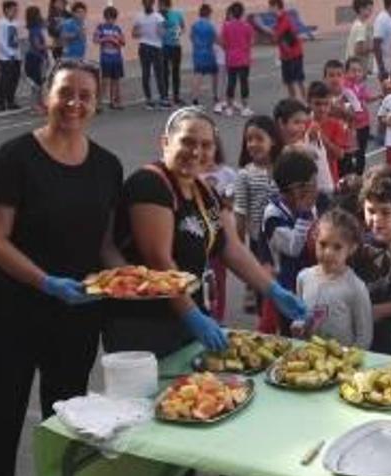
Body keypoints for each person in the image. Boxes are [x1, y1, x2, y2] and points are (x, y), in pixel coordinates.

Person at [0, 59, 122, 476]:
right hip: (10, 316)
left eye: (85, 95)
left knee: (64, 427)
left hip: (75, 321)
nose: (75, 103)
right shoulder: (14, 158)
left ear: (97, 103)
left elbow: (105, 244)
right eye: (65, 93)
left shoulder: (107, 166)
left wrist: (132, 278)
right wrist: (46, 281)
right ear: (46, 99)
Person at [107, 107, 306, 359]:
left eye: (206, 145)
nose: (196, 152)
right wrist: (191, 315)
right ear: (166, 142)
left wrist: (273, 291)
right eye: (187, 142)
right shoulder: (150, 184)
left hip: (185, 316)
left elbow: (231, 247)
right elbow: (159, 260)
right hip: (145, 324)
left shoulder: (205, 191)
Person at [259, 149, 321, 335]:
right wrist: (303, 214)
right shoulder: (273, 215)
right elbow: (293, 248)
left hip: (310, 281)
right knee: (291, 333)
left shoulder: (309, 205)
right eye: (311, 184)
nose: (316, 189)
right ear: (296, 189)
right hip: (287, 286)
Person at [351, 166, 391, 354]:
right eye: (371, 211)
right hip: (361, 338)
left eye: (385, 212)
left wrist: (378, 311)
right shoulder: (357, 245)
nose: (376, 219)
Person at [296, 209, 373, 348]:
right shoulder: (303, 277)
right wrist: (298, 326)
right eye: (323, 244)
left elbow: (364, 337)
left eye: (337, 247)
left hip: (341, 365)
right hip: (308, 360)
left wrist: (348, 364)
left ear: (351, 248)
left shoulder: (355, 287)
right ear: (314, 239)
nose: (328, 253)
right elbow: (300, 314)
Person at [234, 116, 282, 314]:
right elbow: (240, 212)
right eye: (249, 139)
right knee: (264, 288)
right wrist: (238, 246)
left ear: (273, 140)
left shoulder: (283, 168)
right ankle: (265, 322)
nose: (252, 144)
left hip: (283, 240)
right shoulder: (245, 174)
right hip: (258, 244)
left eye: (259, 138)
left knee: (283, 285)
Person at [200, 135, 237, 323]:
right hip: (198, 239)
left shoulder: (227, 174)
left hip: (220, 238)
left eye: (207, 145)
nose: (201, 152)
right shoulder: (190, 174)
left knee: (218, 280)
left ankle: (217, 317)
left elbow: (231, 204)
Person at [324, 59, 362, 177]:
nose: (335, 79)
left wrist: (342, 111)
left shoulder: (348, 94)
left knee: (346, 173)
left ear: (344, 77)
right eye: (331, 75)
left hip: (346, 143)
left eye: (338, 75)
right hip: (328, 142)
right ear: (324, 78)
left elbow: (358, 117)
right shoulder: (322, 95)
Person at [310, 80, 351, 187]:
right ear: (309, 103)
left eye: (326, 104)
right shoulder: (303, 124)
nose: (322, 108)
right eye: (318, 104)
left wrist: (321, 138)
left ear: (330, 104)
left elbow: (340, 155)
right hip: (309, 182)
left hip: (330, 180)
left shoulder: (336, 125)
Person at [344, 57, 379, 175]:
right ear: (346, 72)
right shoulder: (344, 87)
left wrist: (380, 96)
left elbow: (367, 98)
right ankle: (350, 178)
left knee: (361, 154)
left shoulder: (360, 86)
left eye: (359, 71)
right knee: (350, 155)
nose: (356, 74)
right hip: (352, 126)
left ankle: (358, 177)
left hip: (364, 124)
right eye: (353, 71)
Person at [220, 1, 255, 117]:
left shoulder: (226, 26)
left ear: (231, 13)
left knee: (231, 82)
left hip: (231, 59)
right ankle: (245, 107)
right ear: (242, 13)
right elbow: (252, 42)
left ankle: (229, 108)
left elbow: (223, 42)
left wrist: (229, 48)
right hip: (244, 58)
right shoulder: (247, 26)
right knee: (244, 82)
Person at [132, 0, 169, 110]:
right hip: (152, 47)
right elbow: (162, 33)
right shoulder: (158, 17)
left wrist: (142, 32)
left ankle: (152, 100)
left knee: (150, 73)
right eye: (146, 3)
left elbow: (134, 34)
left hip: (148, 47)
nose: (147, 4)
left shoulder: (152, 17)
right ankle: (159, 99)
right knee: (155, 73)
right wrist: (162, 29)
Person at [269, 0, 306, 100]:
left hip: (294, 54)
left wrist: (272, 33)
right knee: (289, 81)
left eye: (271, 6)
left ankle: (306, 101)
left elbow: (276, 37)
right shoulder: (279, 20)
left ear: (276, 6)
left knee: (299, 80)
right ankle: (293, 101)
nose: (269, 9)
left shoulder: (285, 19)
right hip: (286, 55)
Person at [93, 6, 125, 111]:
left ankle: (114, 101)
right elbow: (96, 39)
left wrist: (117, 41)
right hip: (106, 58)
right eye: (108, 18)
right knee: (105, 81)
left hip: (117, 58)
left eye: (112, 18)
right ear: (105, 17)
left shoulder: (117, 29)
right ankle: (99, 103)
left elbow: (123, 42)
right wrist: (106, 38)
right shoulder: (101, 27)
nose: (110, 20)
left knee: (116, 80)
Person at [190, 3, 220, 109]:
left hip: (197, 53)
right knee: (215, 74)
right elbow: (216, 39)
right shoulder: (210, 25)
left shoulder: (195, 25)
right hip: (208, 52)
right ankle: (215, 95)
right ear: (209, 13)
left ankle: (195, 99)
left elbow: (192, 38)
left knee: (198, 75)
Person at [0, 1, 22, 113]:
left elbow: (16, 39)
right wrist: (9, 54)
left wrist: (17, 54)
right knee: (5, 80)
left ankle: (11, 101)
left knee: (14, 79)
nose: (15, 12)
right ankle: (1, 103)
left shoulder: (16, 23)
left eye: (16, 10)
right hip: (5, 57)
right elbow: (1, 41)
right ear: (6, 10)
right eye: (13, 9)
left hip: (16, 56)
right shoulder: (1, 23)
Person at [159, 0, 186, 105]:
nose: (160, 7)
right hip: (164, 46)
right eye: (159, 5)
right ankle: (165, 95)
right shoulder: (158, 16)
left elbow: (183, 27)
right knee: (165, 71)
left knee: (176, 71)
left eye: (161, 5)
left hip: (175, 46)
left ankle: (176, 96)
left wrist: (179, 33)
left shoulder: (177, 14)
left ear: (167, 5)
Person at [24, 5, 48, 114]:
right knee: (36, 84)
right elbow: (37, 45)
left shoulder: (37, 28)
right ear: (35, 16)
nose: (40, 16)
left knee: (40, 82)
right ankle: (34, 106)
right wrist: (50, 46)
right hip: (34, 58)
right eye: (38, 14)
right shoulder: (34, 30)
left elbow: (46, 23)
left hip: (39, 58)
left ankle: (40, 103)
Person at [346, 0, 375, 66]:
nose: (371, 12)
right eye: (369, 9)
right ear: (361, 9)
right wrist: (373, 47)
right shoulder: (361, 27)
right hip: (357, 66)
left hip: (353, 64)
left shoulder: (357, 23)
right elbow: (358, 49)